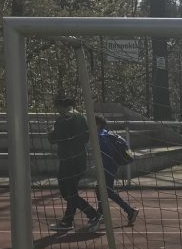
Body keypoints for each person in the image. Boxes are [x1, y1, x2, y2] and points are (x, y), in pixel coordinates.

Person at [47, 96, 101, 232]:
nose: (57, 110)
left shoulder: (61, 120)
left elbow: (53, 139)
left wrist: (51, 132)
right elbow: (86, 137)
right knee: (71, 192)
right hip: (80, 160)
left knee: (67, 192)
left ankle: (93, 214)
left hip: (67, 161)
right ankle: (68, 220)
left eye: (57, 107)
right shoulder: (82, 118)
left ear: (62, 106)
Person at [94, 115, 139, 226]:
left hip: (107, 167)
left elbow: (107, 153)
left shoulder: (101, 136)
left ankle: (130, 211)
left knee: (107, 190)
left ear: (98, 124)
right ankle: (101, 214)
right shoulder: (106, 133)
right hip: (109, 166)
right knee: (100, 189)